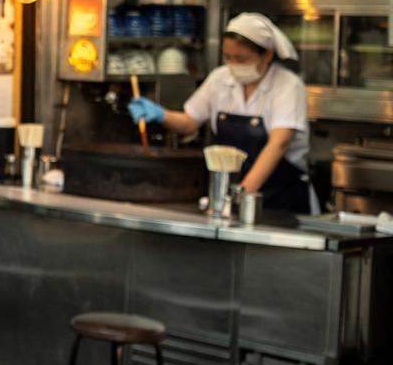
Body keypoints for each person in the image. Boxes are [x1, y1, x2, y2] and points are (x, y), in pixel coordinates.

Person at [130, 12, 317, 214]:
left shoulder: (288, 85)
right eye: (228, 57)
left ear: (268, 54)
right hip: (231, 199)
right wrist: (160, 114)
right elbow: (189, 121)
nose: (233, 64)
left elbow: (278, 145)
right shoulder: (220, 78)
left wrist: (242, 197)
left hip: (281, 200)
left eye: (241, 59)